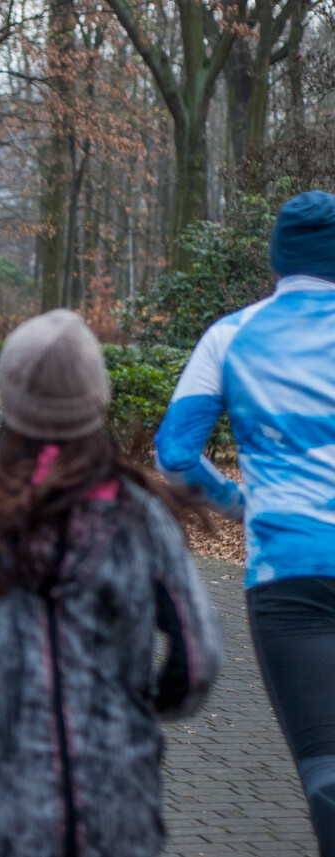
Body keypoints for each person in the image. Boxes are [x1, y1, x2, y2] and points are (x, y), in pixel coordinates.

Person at [0, 309, 222, 857]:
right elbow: (199, 656)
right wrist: (140, 711)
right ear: (96, 397)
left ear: (8, 396)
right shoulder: (138, 510)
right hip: (115, 810)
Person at [155, 190, 335, 854]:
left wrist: (238, 502)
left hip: (287, 570)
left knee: (326, 768)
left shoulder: (230, 335)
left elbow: (175, 457)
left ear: (279, 255)